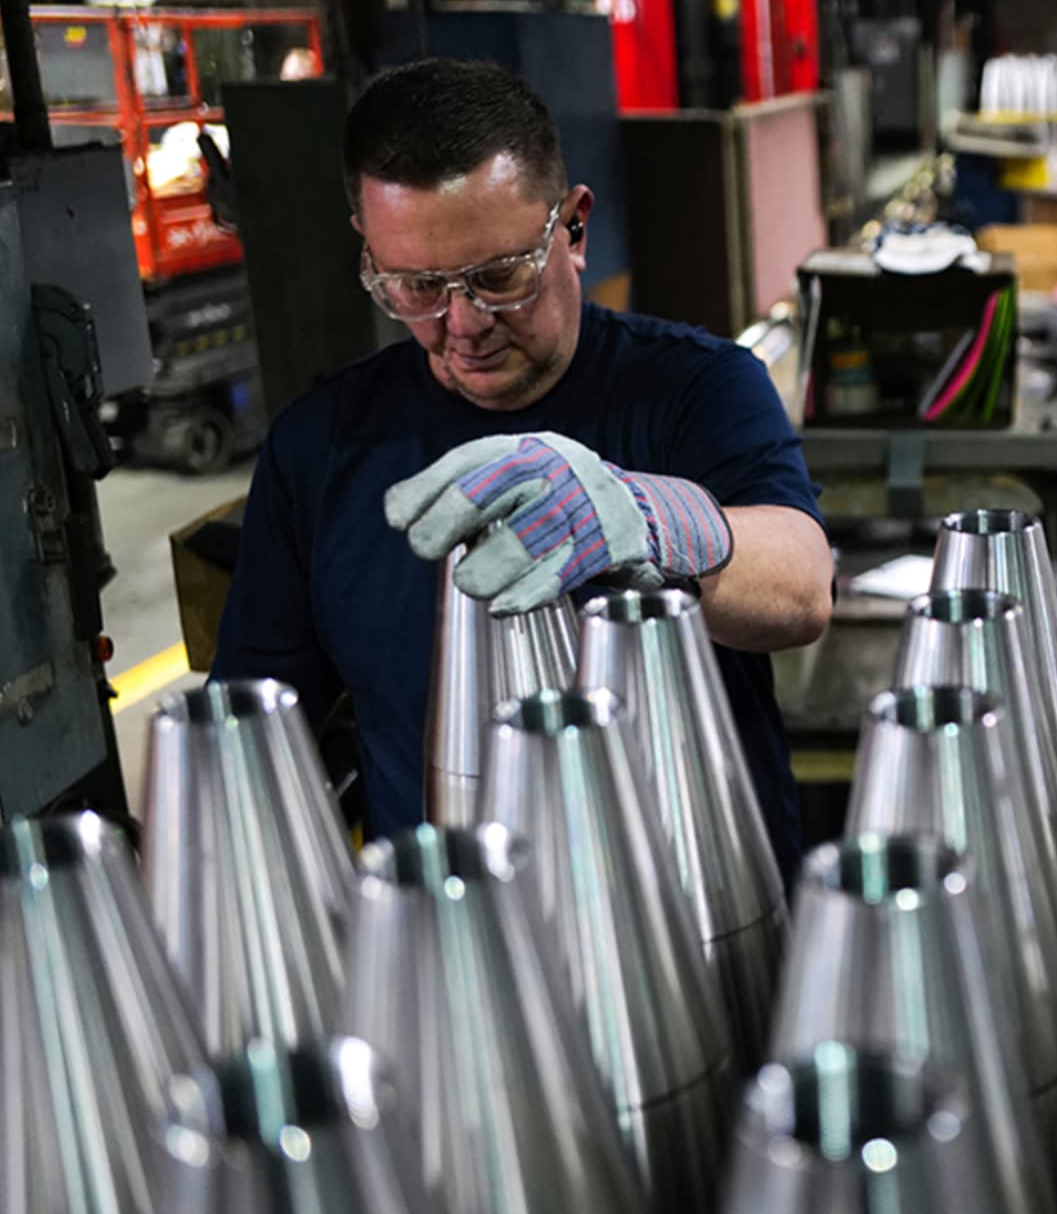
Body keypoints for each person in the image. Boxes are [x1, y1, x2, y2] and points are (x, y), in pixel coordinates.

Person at [211, 59, 833, 880]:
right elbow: (251, 737)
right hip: (453, 926)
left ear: (573, 228)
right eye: (416, 287)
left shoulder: (697, 387)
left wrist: (650, 520)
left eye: (499, 276)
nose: (463, 323)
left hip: (697, 909)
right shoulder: (320, 448)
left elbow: (801, 589)